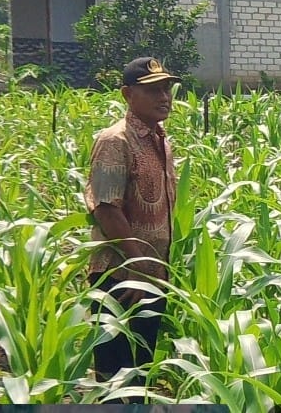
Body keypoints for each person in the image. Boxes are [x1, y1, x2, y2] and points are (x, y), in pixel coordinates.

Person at [84, 56, 182, 402]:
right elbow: (105, 208)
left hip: (151, 276)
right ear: (127, 94)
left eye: (166, 88)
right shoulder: (116, 141)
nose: (164, 97)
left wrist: (155, 271)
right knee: (115, 378)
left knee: (141, 372)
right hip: (120, 277)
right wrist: (136, 266)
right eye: (153, 90)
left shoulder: (161, 140)